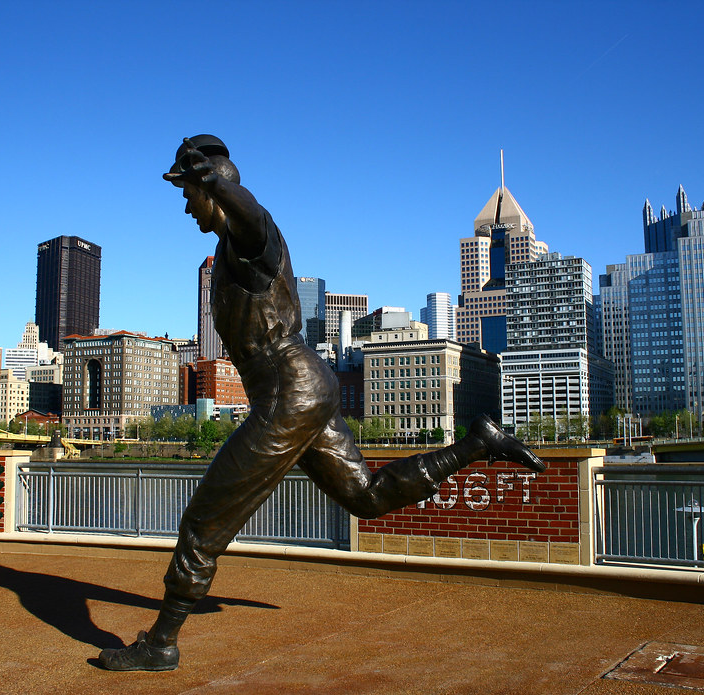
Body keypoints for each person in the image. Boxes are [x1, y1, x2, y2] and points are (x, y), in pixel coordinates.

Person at [98, 135, 546, 671]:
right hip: (308, 386)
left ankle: (161, 644)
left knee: (203, 521)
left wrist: (214, 180)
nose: (188, 206)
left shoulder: (250, 241)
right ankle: (475, 444)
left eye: (189, 194)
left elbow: (252, 215)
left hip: (287, 393)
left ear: (211, 190)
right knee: (366, 497)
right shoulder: (229, 253)